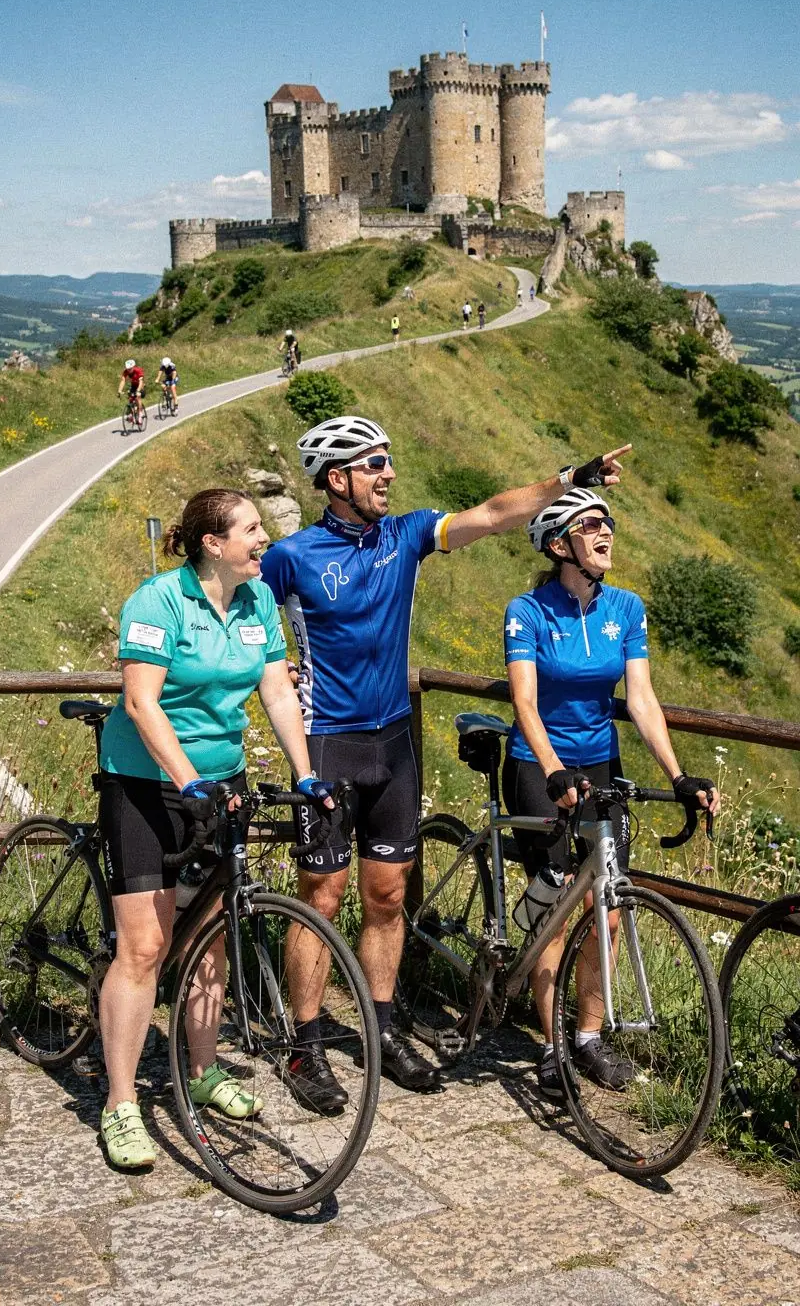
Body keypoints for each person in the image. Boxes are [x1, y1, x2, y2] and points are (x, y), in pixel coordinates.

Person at [260, 416, 631, 1111]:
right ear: (336, 479)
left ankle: (380, 1024)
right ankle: (304, 1045)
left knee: (388, 895)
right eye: (373, 465)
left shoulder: (404, 536)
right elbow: (238, 612)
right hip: (326, 741)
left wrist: (568, 481)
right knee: (323, 897)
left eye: (388, 462)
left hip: (393, 742)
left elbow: (493, 515)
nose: (388, 475)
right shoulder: (291, 556)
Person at [97, 488, 333, 1169]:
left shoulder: (258, 601)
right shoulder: (158, 600)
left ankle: (201, 1072)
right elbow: (141, 702)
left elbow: (277, 691)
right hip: (146, 783)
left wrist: (305, 773)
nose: (265, 538)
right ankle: (120, 1103)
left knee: (209, 937)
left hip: (220, 782)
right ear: (213, 543)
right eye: (252, 529)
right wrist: (185, 782)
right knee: (143, 947)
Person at [503, 487, 720, 1097]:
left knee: (611, 905)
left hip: (601, 766)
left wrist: (678, 775)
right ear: (558, 543)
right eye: (591, 525)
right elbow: (524, 702)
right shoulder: (528, 609)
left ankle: (589, 1037)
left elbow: (642, 700)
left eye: (609, 524)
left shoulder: (625, 607)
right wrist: (552, 770)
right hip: (537, 766)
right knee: (552, 909)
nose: (606, 534)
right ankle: (549, 1047)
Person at [118, 359, 145, 425]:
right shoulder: (125, 371)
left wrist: (138, 390)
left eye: (130, 369)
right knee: (130, 398)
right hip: (133, 385)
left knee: (137, 396)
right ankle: (131, 414)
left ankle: (140, 413)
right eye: (127, 369)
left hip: (140, 386)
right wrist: (119, 390)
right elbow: (123, 381)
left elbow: (141, 381)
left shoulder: (138, 370)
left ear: (133, 367)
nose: (128, 370)